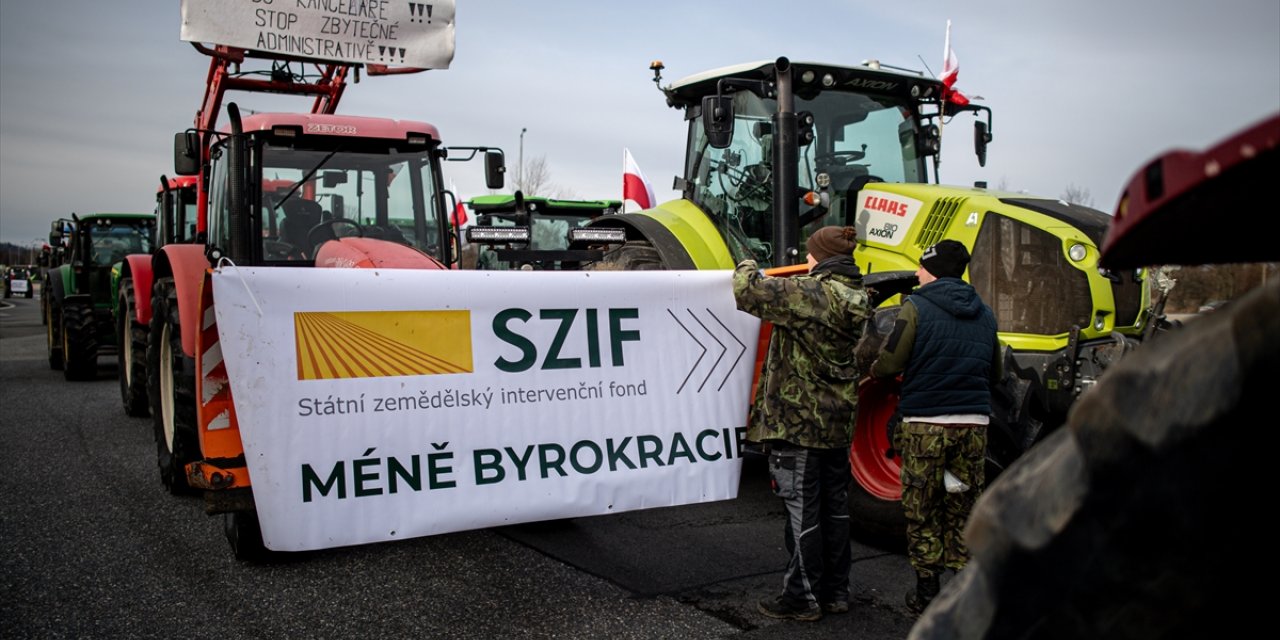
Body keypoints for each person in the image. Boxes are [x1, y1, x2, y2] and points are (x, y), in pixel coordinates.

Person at [733, 225, 872, 621]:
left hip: (800, 424)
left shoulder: (812, 292)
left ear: (821, 257)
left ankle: (800, 599)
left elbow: (748, 291)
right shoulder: (856, 294)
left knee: (802, 512)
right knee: (834, 511)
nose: (806, 260)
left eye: (810, 254)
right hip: (836, 423)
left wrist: (746, 262)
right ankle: (834, 593)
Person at [868, 239, 1001, 614]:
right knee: (962, 504)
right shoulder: (986, 314)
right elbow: (997, 372)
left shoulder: (916, 307)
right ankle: (963, 592)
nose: (916, 273)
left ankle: (926, 594)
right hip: (973, 426)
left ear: (933, 270)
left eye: (921, 267)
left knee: (922, 507)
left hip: (926, 424)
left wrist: (874, 370)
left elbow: (891, 364)